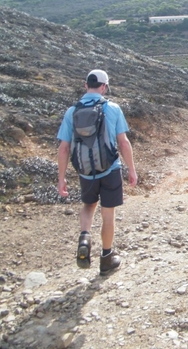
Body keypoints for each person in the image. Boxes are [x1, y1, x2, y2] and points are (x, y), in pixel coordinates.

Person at [57, 69, 137, 276]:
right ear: (104, 86)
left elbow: (64, 148)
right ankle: (106, 258)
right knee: (108, 214)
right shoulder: (113, 108)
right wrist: (132, 170)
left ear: (86, 85)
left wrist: (61, 178)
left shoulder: (71, 111)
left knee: (88, 205)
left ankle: (84, 237)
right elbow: (123, 142)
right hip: (110, 169)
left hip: (86, 171)